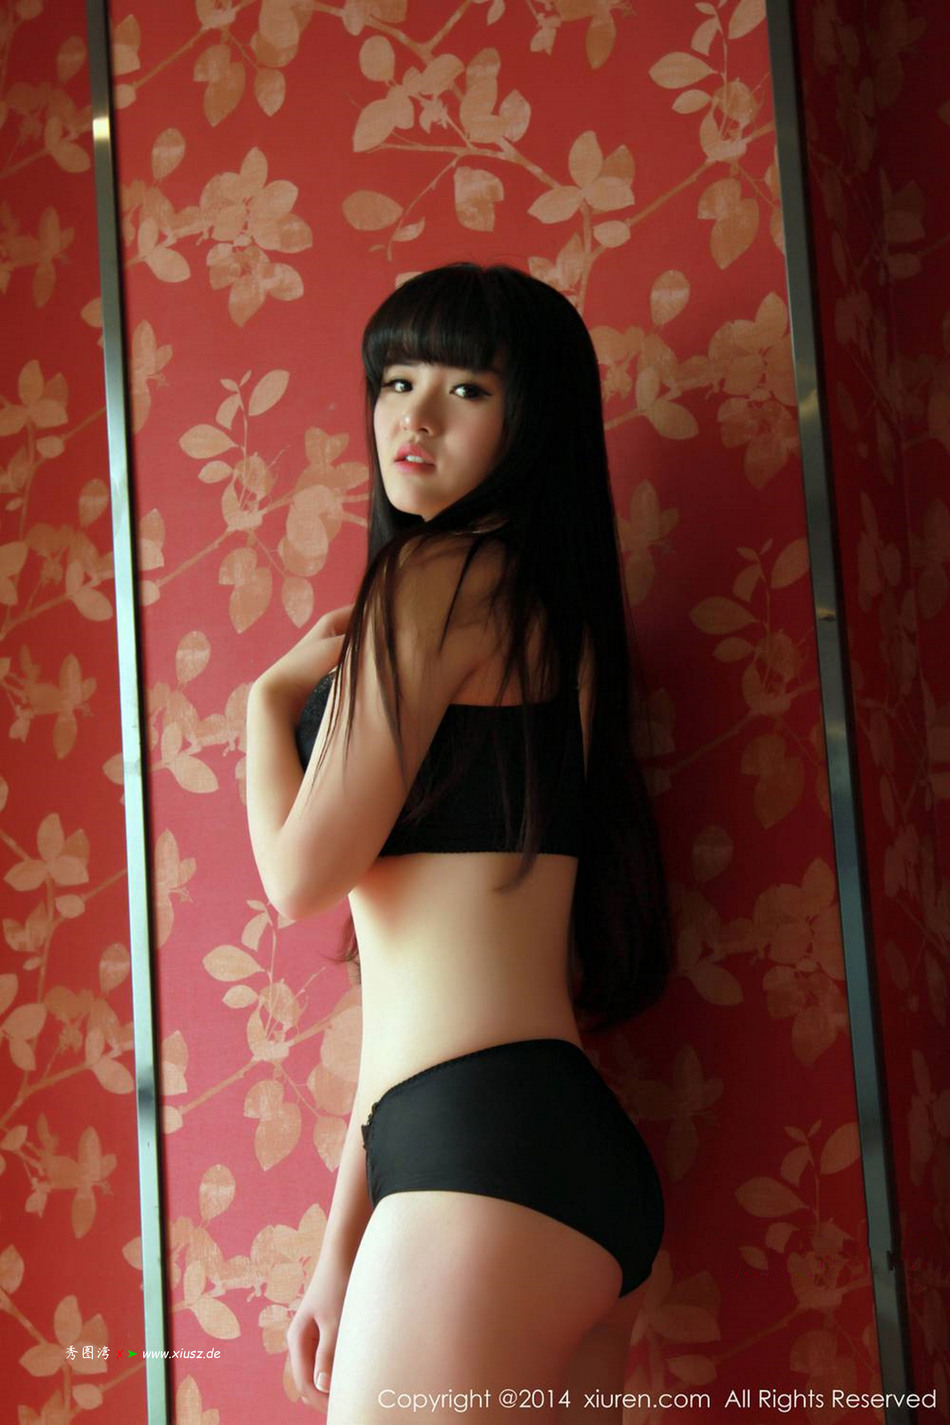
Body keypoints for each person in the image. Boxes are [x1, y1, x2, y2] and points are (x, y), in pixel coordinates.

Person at [245, 263, 674, 1423]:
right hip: (539, 1153)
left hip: (479, 1162)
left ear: (530, 422)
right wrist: (342, 1246)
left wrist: (260, 707)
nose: (416, 416)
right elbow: (411, 995)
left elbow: (297, 879)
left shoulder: (432, 579)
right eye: (396, 380)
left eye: (466, 389)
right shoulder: (557, 623)